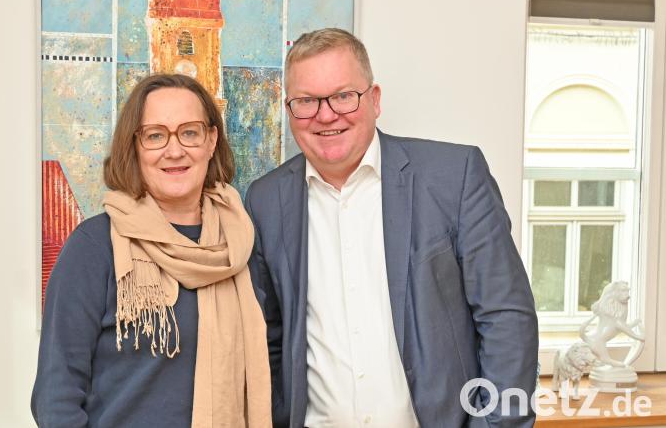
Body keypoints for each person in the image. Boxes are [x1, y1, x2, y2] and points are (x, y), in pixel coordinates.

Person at [244, 28, 538, 427]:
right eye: (307, 101)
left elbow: (507, 320)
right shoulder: (265, 201)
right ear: (289, 109)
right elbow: (270, 339)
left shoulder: (455, 177)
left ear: (375, 99)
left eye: (343, 96)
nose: (325, 115)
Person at [32, 73, 271, 428]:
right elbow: (56, 396)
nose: (174, 151)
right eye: (155, 135)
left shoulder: (241, 246)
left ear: (211, 141)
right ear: (134, 146)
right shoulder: (94, 247)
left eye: (189, 132)